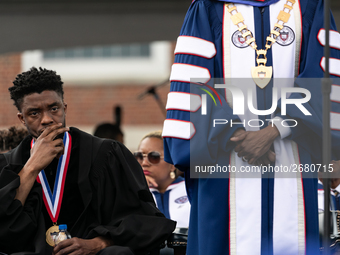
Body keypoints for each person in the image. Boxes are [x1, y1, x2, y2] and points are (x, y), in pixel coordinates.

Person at [162, 0, 340, 254]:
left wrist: (275, 129)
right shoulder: (207, 7)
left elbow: (325, 79)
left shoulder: (310, 6)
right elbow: (192, 83)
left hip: (294, 159)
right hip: (224, 165)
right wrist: (234, 134)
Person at [0, 67, 176, 255]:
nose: (47, 119)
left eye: (54, 108)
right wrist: (31, 168)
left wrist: (98, 243)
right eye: (34, 113)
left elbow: (144, 220)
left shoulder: (105, 154)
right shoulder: (10, 164)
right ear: (21, 118)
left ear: (64, 107)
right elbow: (5, 228)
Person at [134, 131, 190, 229]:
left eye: (154, 157)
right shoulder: (132, 192)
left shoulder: (191, 189)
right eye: (140, 156)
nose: (144, 163)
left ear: (172, 164)